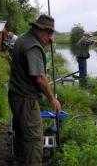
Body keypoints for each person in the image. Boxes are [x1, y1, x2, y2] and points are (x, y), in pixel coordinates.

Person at [8, 14, 61, 166]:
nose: (51, 39)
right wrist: (52, 98)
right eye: (49, 34)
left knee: (21, 133)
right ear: (41, 30)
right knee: (35, 139)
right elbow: (40, 79)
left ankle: (20, 161)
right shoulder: (33, 47)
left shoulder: (23, 39)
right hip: (26, 99)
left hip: (15, 94)